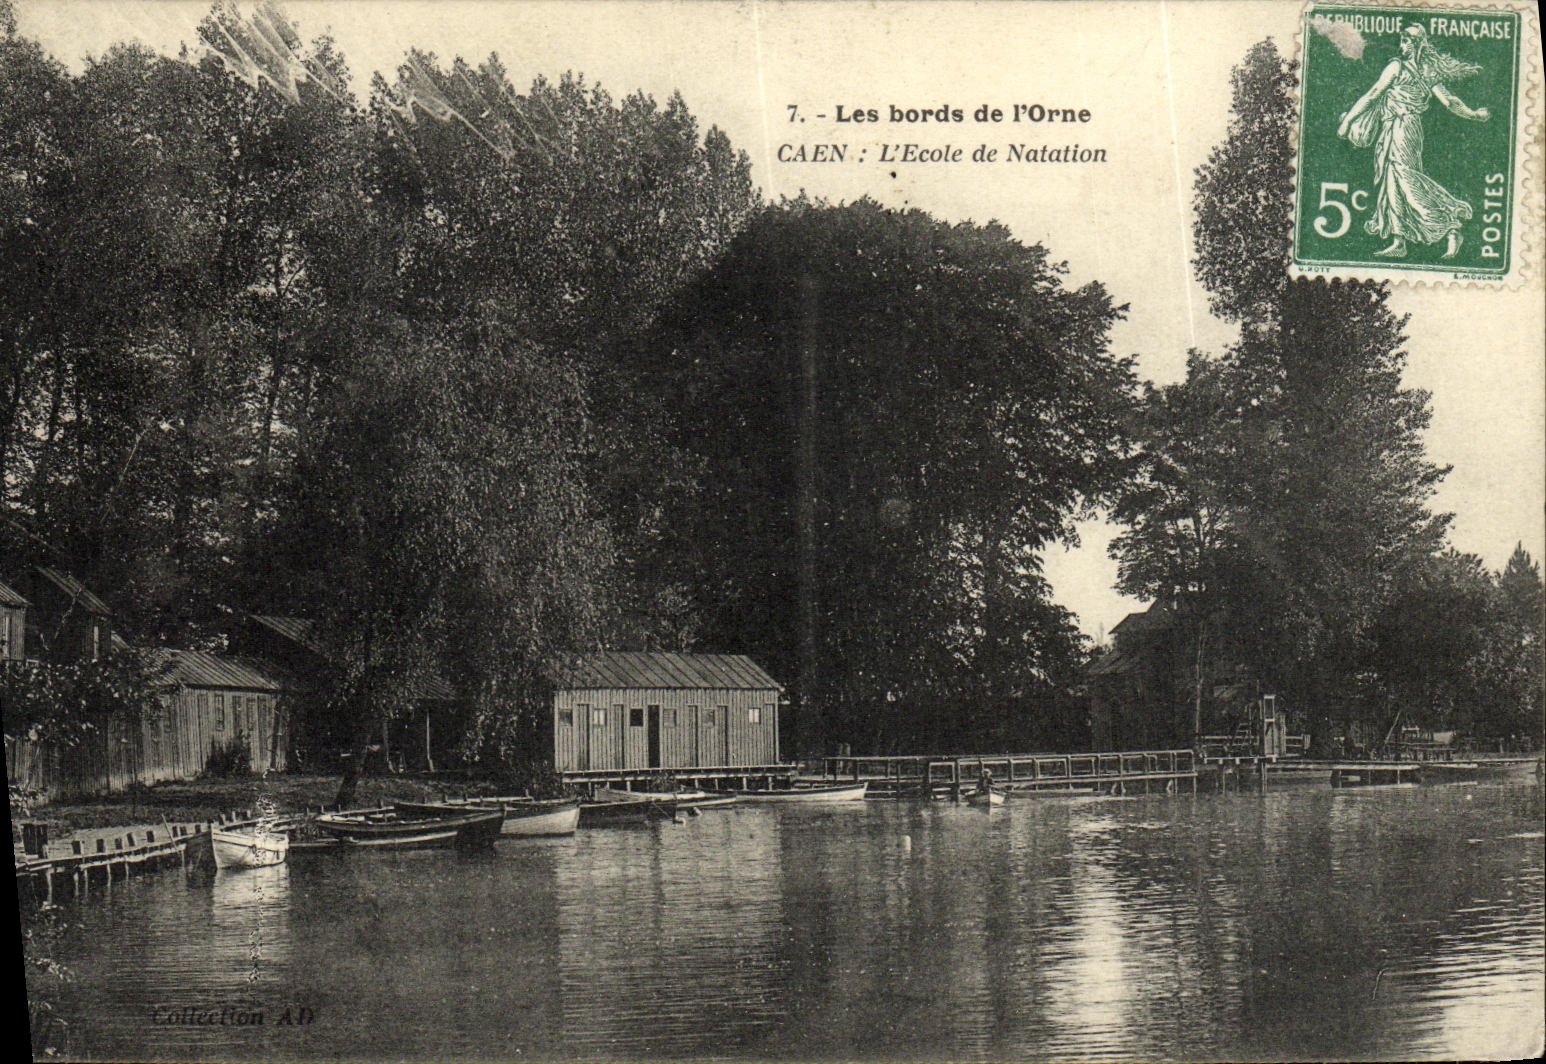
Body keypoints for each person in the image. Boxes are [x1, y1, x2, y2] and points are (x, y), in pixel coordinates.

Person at [1337, 25, 1490, 259]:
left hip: (1403, 128)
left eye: (1407, 41)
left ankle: (1449, 227)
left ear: (1416, 43)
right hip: (1397, 129)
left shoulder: (1401, 67)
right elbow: (1448, 101)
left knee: (1405, 179)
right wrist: (1474, 114)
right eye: (1402, 40)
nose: (1402, 45)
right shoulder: (1417, 69)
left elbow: (1374, 94)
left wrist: (1347, 121)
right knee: (1393, 182)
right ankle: (1399, 241)